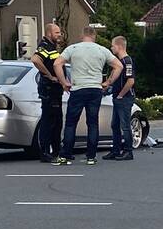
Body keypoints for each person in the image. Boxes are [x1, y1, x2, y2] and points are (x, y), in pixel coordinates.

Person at [52, 26, 122, 166]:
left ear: (82, 35)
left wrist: (64, 82)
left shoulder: (73, 49)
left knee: (71, 123)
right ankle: (91, 156)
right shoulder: (102, 50)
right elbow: (118, 66)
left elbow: (57, 64)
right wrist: (108, 82)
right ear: (94, 36)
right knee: (92, 123)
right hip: (95, 89)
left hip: (78, 88)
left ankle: (65, 155)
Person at [31, 23, 64, 162]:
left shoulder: (52, 47)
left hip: (55, 90)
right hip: (49, 89)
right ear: (49, 33)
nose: (59, 35)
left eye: (59, 32)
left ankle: (56, 151)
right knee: (49, 121)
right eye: (57, 33)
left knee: (57, 121)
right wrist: (49, 75)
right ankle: (45, 152)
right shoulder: (45, 46)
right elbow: (35, 59)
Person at [103, 36, 136, 161]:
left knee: (125, 125)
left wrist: (121, 95)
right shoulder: (119, 62)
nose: (111, 48)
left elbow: (130, 81)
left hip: (124, 98)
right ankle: (115, 150)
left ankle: (128, 151)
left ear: (119, 46)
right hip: (117, 97)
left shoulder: (127, 61)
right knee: (115, 125)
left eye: (113, 46)